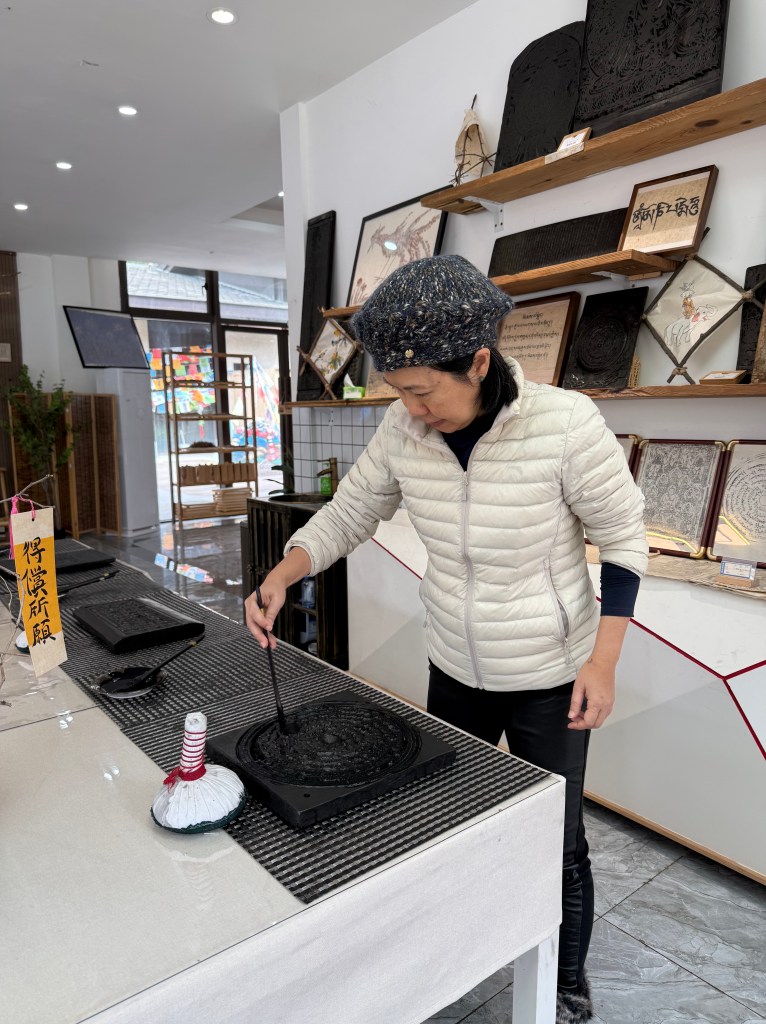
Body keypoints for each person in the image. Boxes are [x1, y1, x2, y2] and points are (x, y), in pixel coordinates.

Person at [245, 254, 647, 1024]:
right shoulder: (405, 433)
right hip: (455, 665)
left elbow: (624, 538)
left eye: (424, 391)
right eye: (401, 394)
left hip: (548, 671)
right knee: (446, 817)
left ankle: (564, 982)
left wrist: (604, 659)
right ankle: (457, 950)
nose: (414, 410)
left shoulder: (564, 424)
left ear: (480, 361)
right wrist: (287, 568)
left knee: (554, 835)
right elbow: (350, 511)